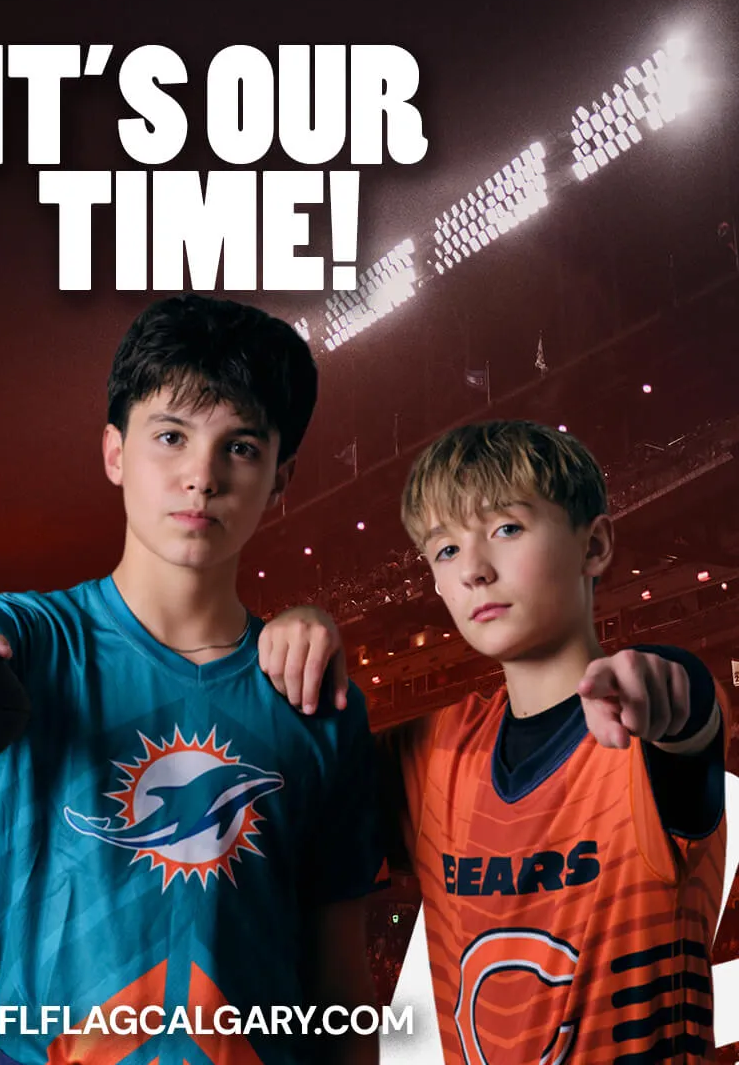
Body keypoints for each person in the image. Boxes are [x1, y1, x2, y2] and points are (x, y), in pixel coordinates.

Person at [0, 295, 385, 1065]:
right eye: (171, 436)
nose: (201, 477)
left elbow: (341, 985)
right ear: (115, 453)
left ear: (280, 477)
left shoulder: (316, 697)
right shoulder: (36, 640)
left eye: (241, 447)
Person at [263, 419, 728, 1064]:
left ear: (594, 545)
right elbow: (279, 790)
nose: (474, 571)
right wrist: (295, 631)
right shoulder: (432, 752)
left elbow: (690, 716)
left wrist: (668, 684)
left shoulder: (641, 735)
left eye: (507, 528)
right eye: (446, 549)